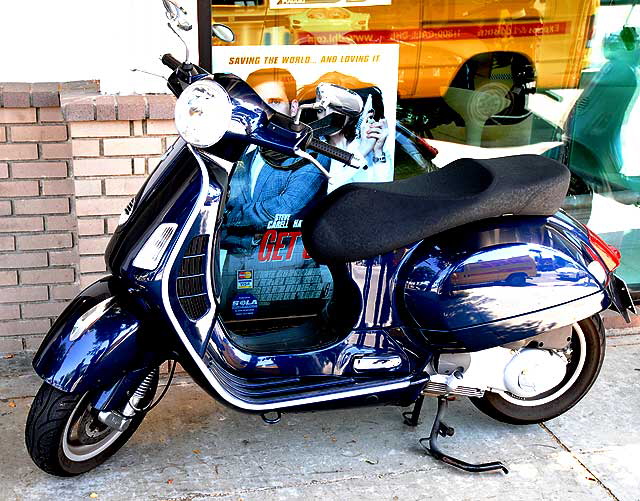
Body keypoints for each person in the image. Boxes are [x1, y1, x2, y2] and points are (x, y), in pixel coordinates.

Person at [222, 68, 330, 252]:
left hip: (289, 271)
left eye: (275, 102)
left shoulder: (312, 152)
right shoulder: (240, 155)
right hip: (232, 271)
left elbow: (286, 209)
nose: (267, 111)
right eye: (258, 103)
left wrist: (228, 219)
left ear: (294, 107)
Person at [297, 72, 391, 192]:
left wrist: (378, 152)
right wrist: (361, 153)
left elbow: (385, 192)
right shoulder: (311, 150)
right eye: (320, 110)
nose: (326, 116)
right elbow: (324, 192)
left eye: (335, 108)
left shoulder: (369, 143)